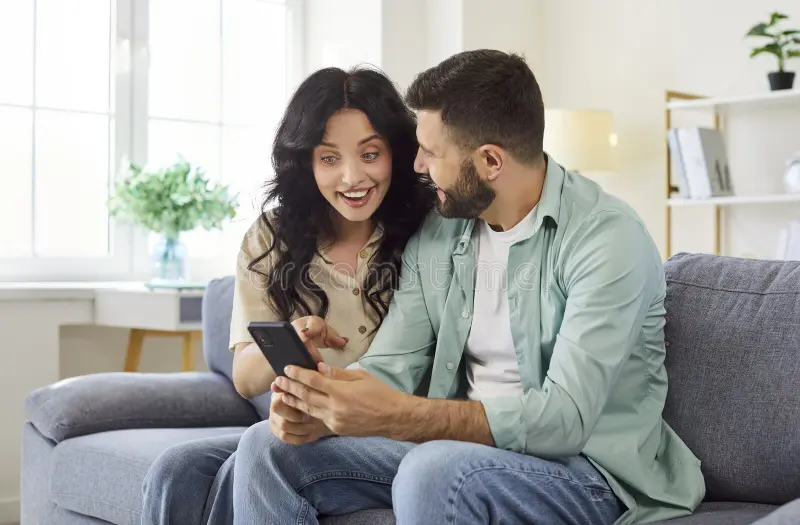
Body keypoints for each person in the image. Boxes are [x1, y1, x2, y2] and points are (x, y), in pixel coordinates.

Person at [232, 49, 706, 525]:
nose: (415, 165)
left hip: (588, 473)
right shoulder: (443, 230)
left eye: (432, 153)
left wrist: (401, 416)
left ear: (490, 161)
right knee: (268, 447)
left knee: (432, 470)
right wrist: (318, 404)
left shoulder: (606, 239)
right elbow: (390, 366)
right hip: (459, 455)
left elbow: (565, 421)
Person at [140, 65, 434, 525]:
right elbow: (245, 376)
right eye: (329, 158)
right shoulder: (271, 238)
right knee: (177, 470)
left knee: (257, 456)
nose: (352, 177)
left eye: (370, 154)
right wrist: (294, 342)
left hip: (391, 427)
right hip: (307, 427)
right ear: (306, 161)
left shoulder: (431, 231)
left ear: (396, 152)